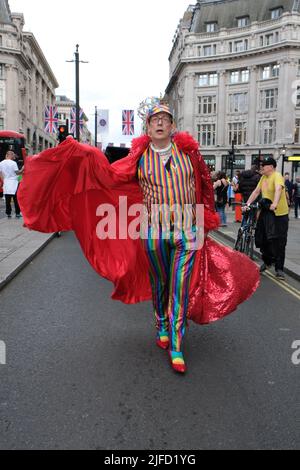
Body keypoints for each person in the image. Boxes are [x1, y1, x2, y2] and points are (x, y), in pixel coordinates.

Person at [18, 100, 259, 374]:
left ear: (172, 126)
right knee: (160, 282)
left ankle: (177, 345)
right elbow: (109, 176)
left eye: (164, 119)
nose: (159, 123)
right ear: (147, 127)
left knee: (180, 286)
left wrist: (206, 220)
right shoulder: (140, 157)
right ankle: (161, 322)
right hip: (154, 230)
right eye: (154, 120)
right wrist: (82, 151)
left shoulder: (190, 155)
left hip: (187, 231)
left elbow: (204, 186)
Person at [244, 156, 289, 280]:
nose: (261, 167)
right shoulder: (263, 177)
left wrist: (274, 203)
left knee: (279, 241)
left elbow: (278, 189)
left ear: (271, 167)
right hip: (266, 212)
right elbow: (256, 192)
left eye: (263, 165)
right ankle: (268, 261)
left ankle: (279, 268)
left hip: (279, 214)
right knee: (262, 238)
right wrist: (247, 204)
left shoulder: (277, 176)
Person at [0, 151, 23, 219]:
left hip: (6, 182)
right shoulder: (13, 163)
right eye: (13, 155)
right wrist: (22, 169)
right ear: (10, 155)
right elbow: (17, 173)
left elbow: (0, 173)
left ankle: (8, 213)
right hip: (14, 182)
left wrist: (3, 180)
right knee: (16, 199)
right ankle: (17, 213)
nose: (14, 157)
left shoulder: (1, 163)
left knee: (7, 199)